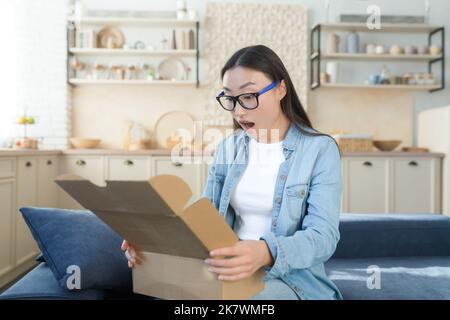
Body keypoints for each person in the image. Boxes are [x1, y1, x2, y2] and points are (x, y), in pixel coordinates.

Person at [122, 45, 343, 300]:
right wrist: (154, 243)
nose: (239, 111)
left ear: (281, 89)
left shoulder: (319, 149)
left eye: (249, 96)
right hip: (226, 271)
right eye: (230, 98)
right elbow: (204, 220)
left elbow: (323, 237)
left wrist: (264, 252)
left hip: (291, 280)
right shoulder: (228, 148)